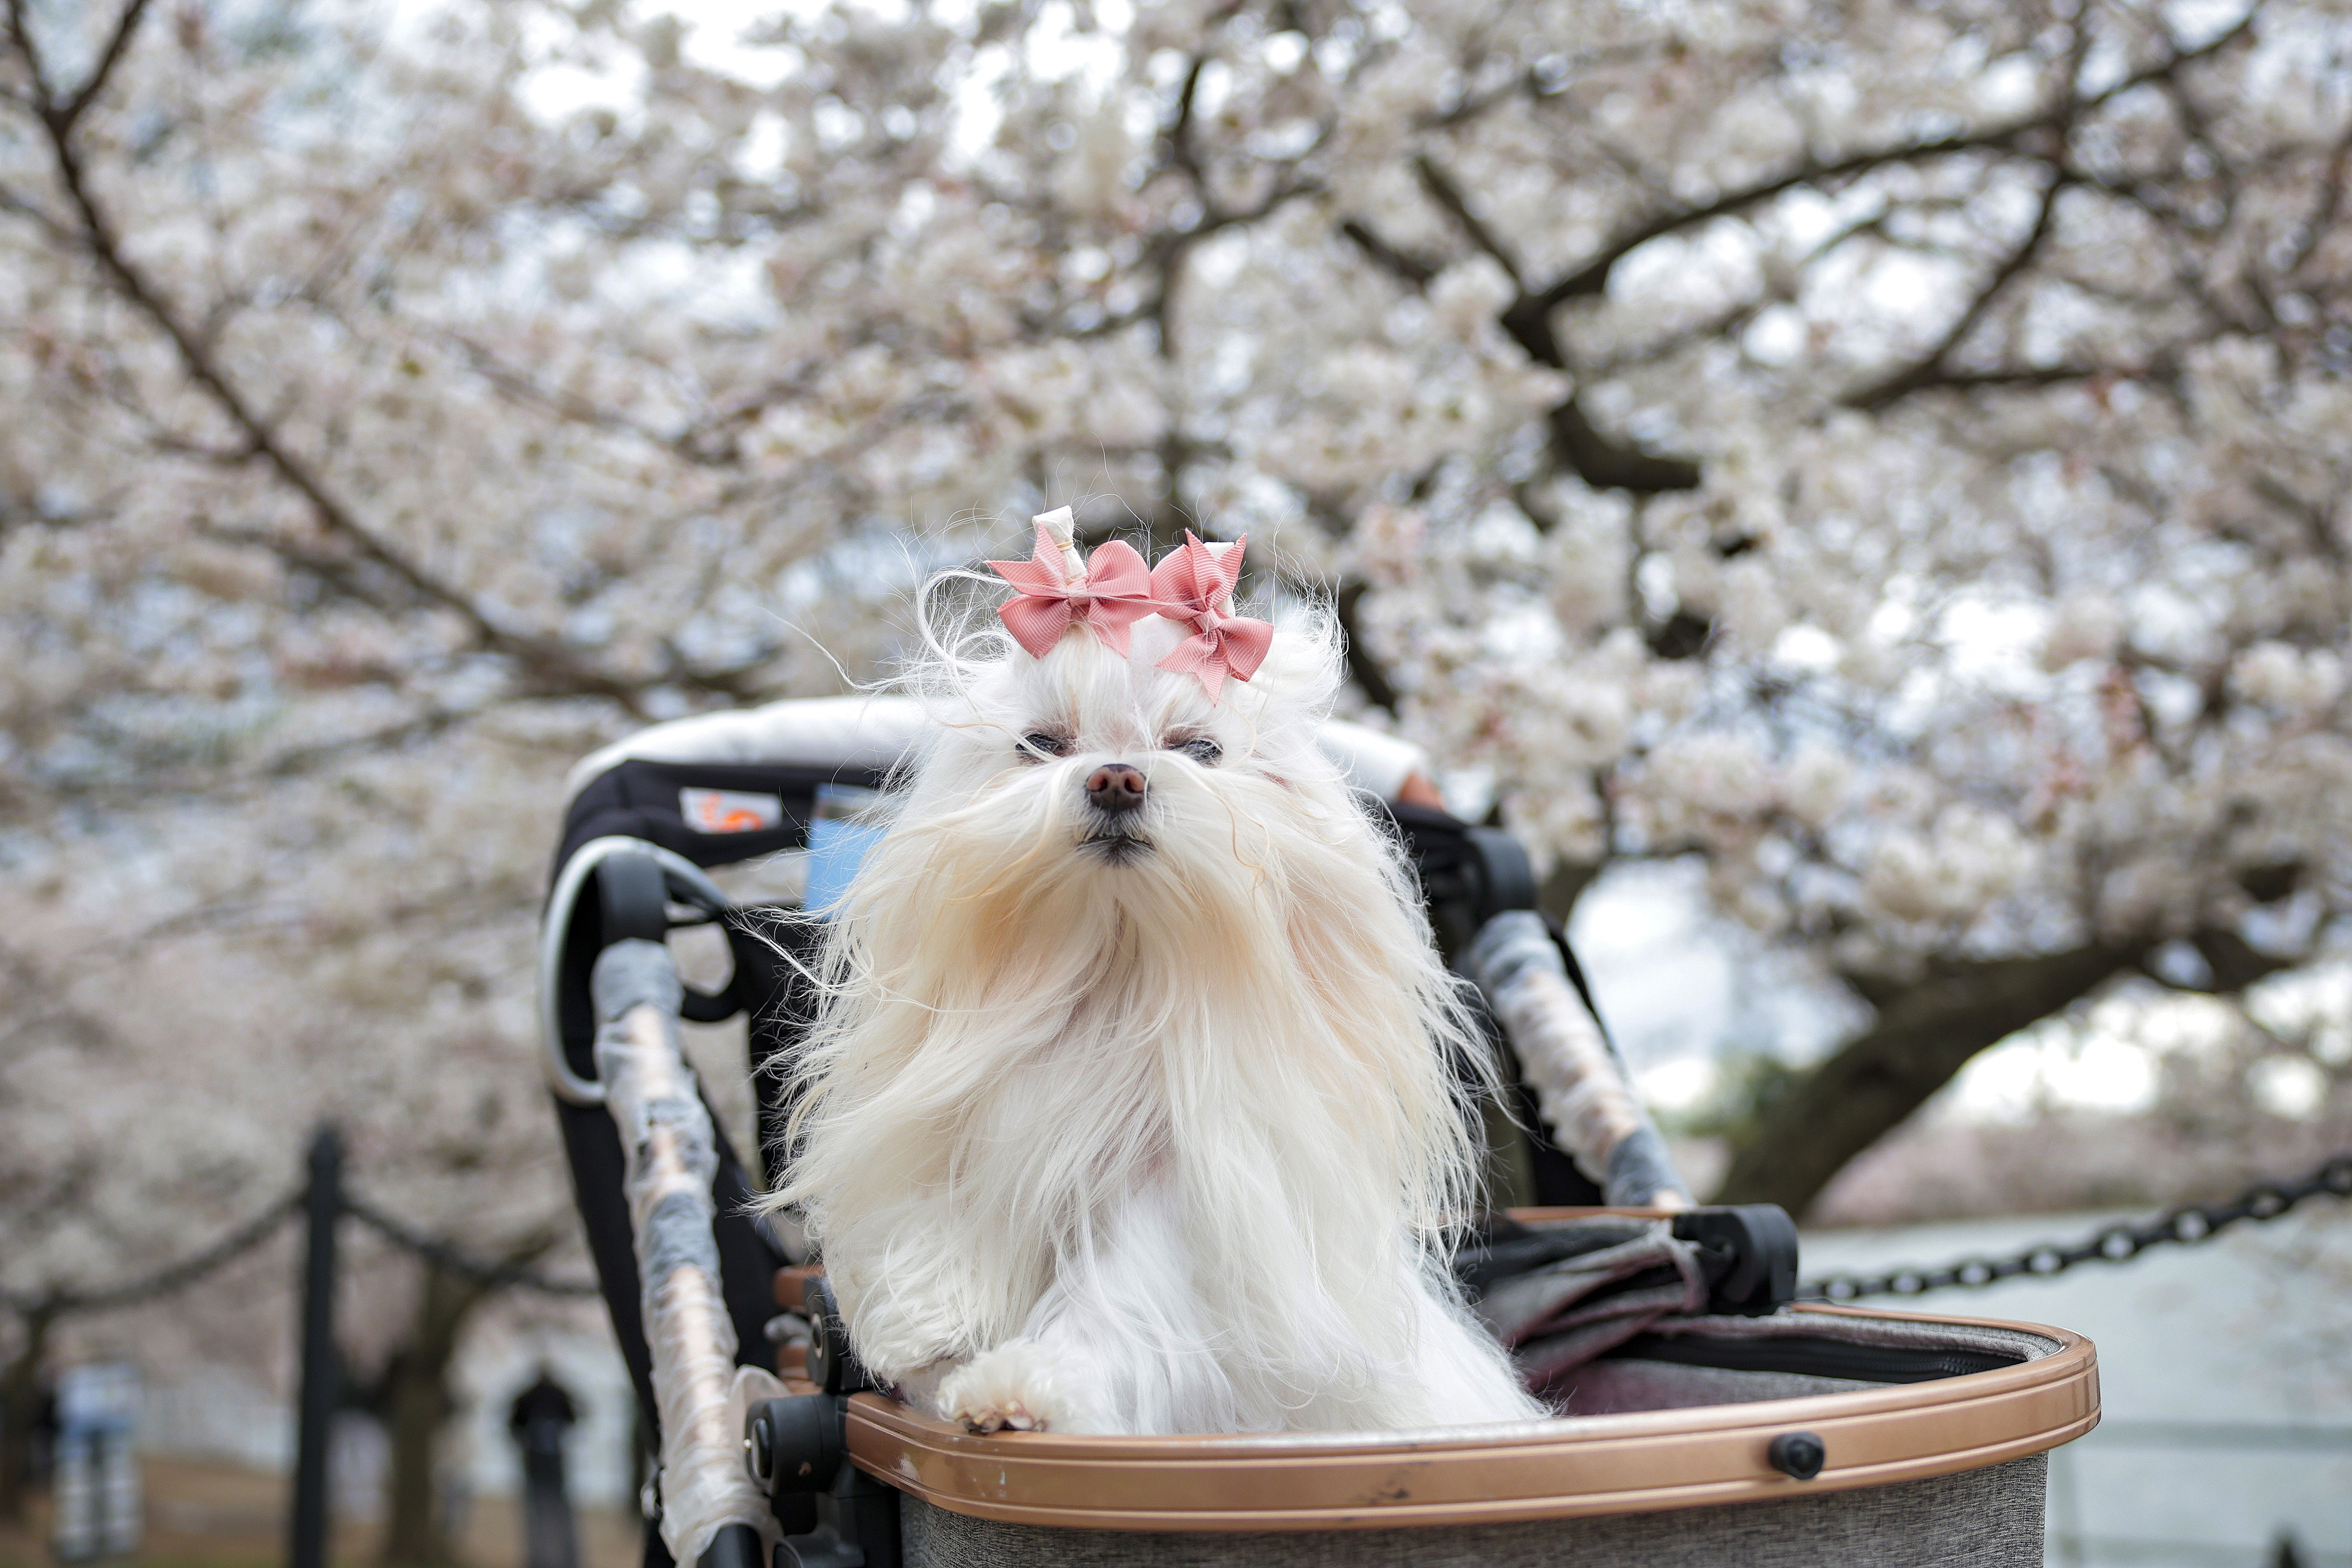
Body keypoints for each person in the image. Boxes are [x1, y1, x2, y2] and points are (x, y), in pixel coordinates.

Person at [506, 1367, 580, 1568]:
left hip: (536, 1464)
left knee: (538, 1514)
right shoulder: (560, 1395)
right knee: (560, 1514)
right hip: (553, 1464)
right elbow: (576, 1418)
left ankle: (540, 1560)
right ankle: (568, 1560)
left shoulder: (527, 1398)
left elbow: (513, 1426)